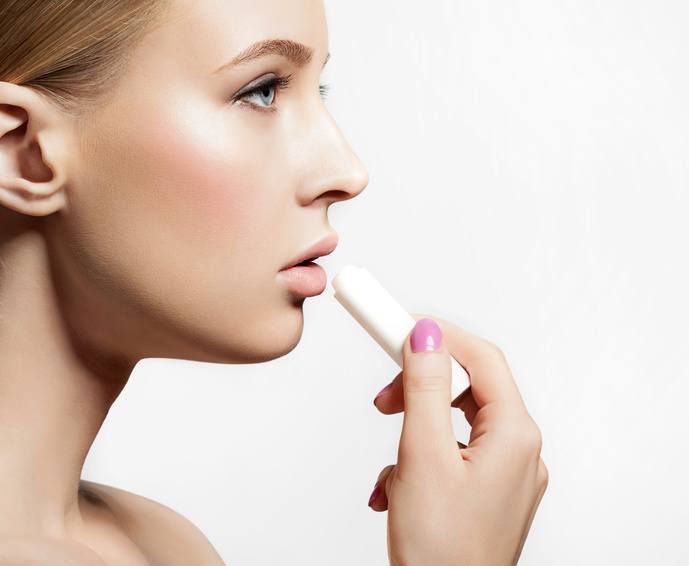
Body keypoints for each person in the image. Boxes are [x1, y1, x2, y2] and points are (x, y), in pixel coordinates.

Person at [0, 0, 548, 563]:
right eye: (262, 90)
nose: (348, 172)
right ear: (25, 154)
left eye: (320, 90)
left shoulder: (165, 546)